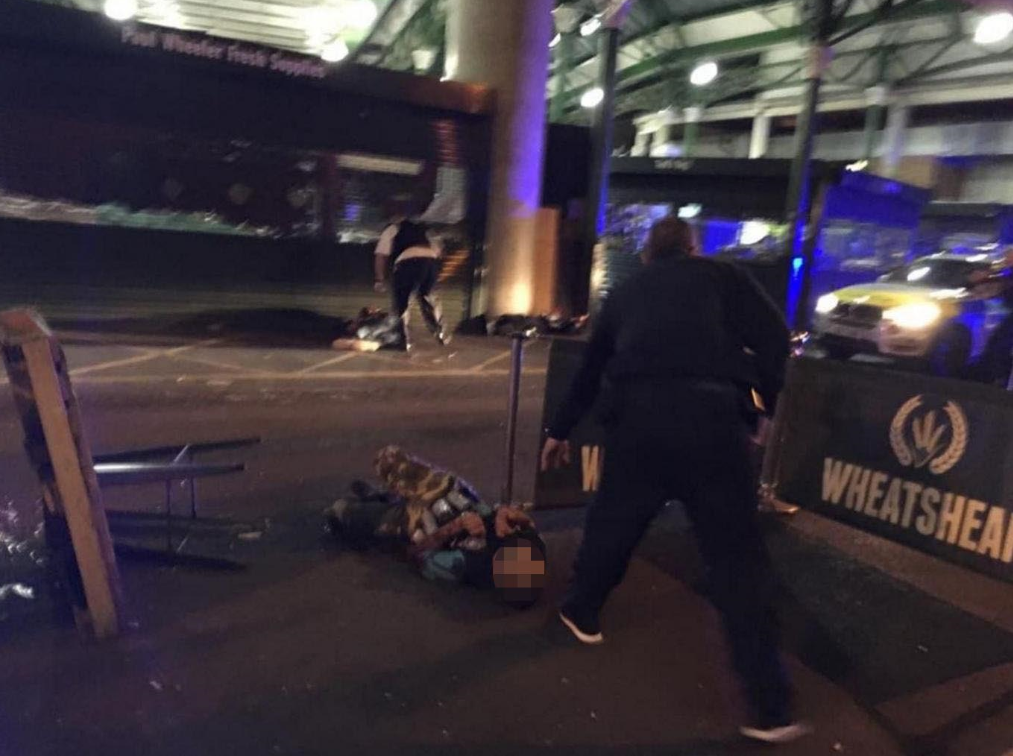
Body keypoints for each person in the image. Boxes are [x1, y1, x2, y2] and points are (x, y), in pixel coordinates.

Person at [541, 217, 806, 744]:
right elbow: (777, 339)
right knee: (736, 559)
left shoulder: (627, 292)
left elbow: (590, 369)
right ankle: (771, 706)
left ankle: (583, 611)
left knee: (614, 522)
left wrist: (561, 430)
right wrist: (761, 404)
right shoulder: (725, 276)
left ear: (647, 255)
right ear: (692, 248)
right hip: (713, 420)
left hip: (640, 421)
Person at [328, 446, 546, 608]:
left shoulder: (466, 565)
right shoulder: (529, 544)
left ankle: (377, 503)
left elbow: (416, 555)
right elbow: (518, 519)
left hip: (415, 521)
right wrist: (502, 513)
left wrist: (455, 526)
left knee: (342, 509)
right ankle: (386, 495)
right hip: (449, 493)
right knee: (390, 457)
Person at [373, 210, 447, 350]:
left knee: (402, 301)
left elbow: (380, 255)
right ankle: (439, 331)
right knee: (428, 298)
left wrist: (379, 279)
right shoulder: (425, 230)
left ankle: (402, 339)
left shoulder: (392, 229)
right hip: (430, 262)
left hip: (407, 263)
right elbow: (439, 250)